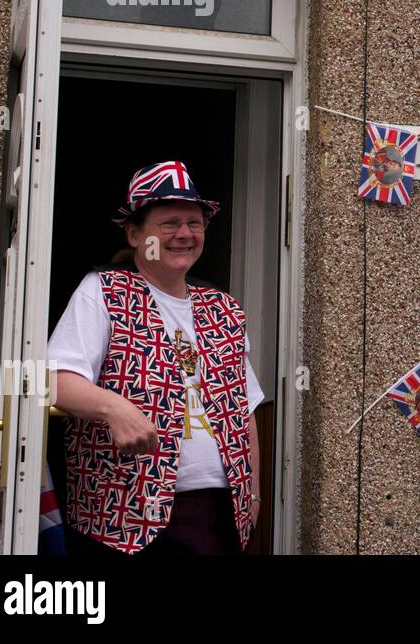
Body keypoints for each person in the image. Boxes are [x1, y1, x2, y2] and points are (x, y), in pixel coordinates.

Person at [48, 161, 264, 555]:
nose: (184, 234)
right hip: (125, 518)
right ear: (134, 233)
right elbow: (56, 380)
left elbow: (243, 409)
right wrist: (114, 408)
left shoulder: (223, 307)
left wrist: (253, 496)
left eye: (194, 223)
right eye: (169, 223)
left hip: (219, 513)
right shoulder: (102, 290)